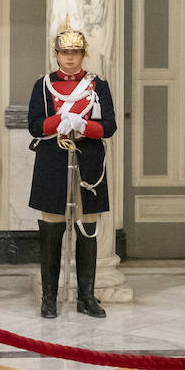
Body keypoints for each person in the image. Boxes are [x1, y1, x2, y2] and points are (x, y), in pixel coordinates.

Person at [27, 21, 116, 319]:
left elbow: (109, 126)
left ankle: (86, 297)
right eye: (65, 52)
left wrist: (83, 125)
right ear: (56, 54)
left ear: (83, 54)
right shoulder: (43, 84)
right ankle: (49, 297)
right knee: (51, 230)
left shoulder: (97, 84)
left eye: (76, 52)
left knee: (87, 229)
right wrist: (58, 122)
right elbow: (35, 125)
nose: (70, 58)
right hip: (53, 161)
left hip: (88, 162)